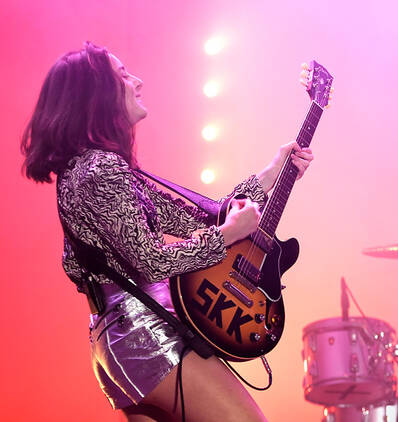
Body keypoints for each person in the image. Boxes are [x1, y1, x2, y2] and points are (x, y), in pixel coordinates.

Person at [21, 42, 314, 422]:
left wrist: (272, 173)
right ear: (95, 96)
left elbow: (199, 217)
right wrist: (226, 236)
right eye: (123, 75)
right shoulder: (100, 170)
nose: (137, 81)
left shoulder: (97, 168)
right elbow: (153, 260)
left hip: (123, 339)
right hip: (146, 338)